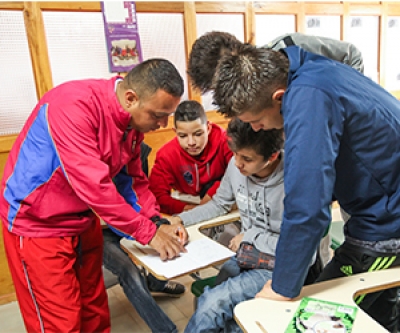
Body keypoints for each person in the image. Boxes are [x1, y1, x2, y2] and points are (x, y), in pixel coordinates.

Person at [196, 41, 400, 332]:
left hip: (387, 223)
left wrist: (282, 286)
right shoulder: (309, 68)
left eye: (255, 120)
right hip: (379, 202)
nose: (255, 129)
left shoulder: (308, 98)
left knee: (314, 319)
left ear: (279, 98)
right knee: (378, 311)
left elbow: (307, 206)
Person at [0, 58, 189, 332]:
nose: (162, 124)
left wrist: (156, 222)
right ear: (131, 98)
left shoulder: (133, 126)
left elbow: (133, 182)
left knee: (94, 312)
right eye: (158, 115)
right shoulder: (72, 106)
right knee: (60, 323)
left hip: (83, 221)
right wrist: (148, 233)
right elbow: (95, 188)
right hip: (38, 225)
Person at [169, 118, 317, 332]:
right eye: (235, 153)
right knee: (214, 305)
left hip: (280, 265)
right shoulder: (236, 166)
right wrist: (181, 219)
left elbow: (305, 251)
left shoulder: (296, 181)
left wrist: (250, 236)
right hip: (246, 254)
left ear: (272, 156)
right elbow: (219, 204)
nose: (237, 163)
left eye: (246, 158)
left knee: (212, 307)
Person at [102, 142, 184, 333]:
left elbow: (138, 191)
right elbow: (103, 209)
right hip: (101, 229)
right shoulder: (91, 152)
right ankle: (166, 330)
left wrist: (157, 223)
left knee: (163, 248)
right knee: (128, 271)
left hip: (131, 223)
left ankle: (156, 283)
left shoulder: (136, 148)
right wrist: (145, 232)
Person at [149, 100, 239, 246]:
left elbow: (238, 173)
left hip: (224, 201)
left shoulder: (226, 142)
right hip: (187, 203)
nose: (191, 142)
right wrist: (188, 209)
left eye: (198, 134)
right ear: (175, 132)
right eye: (183, 136)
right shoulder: (166, 155)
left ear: (208, 127)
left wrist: (213, 193)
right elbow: (157, 196)